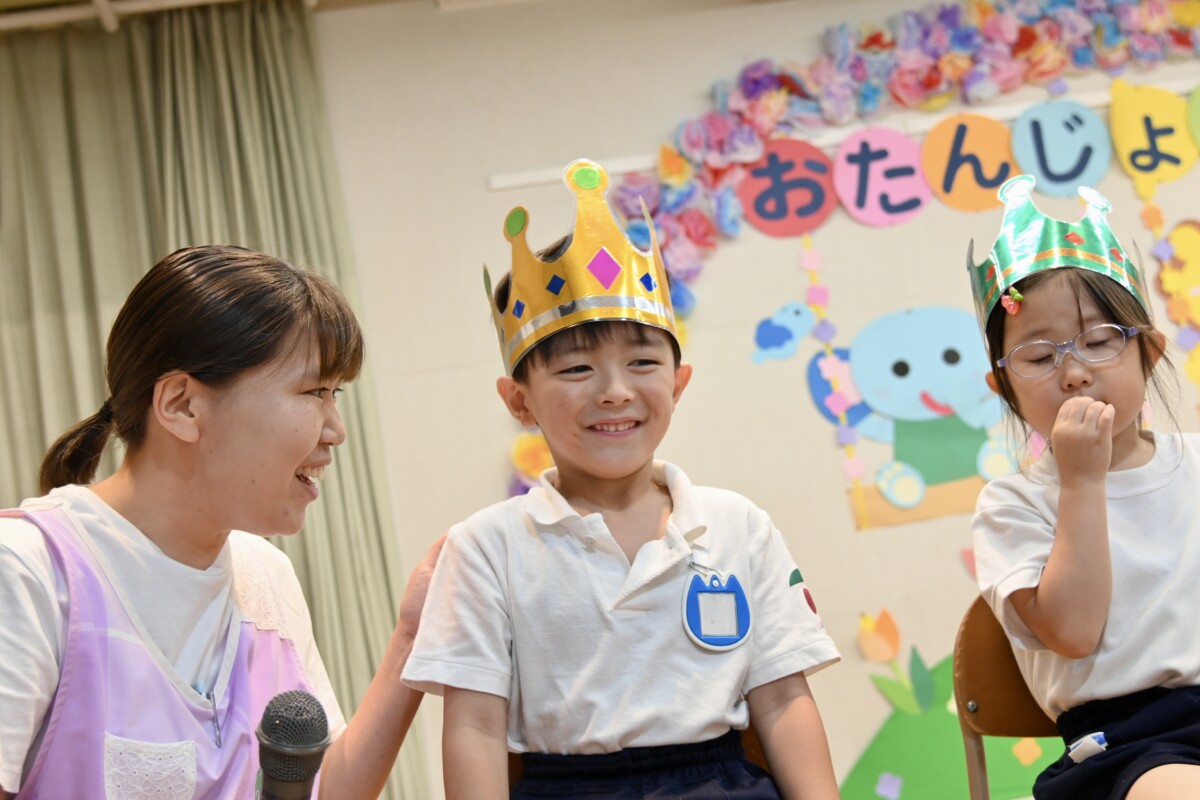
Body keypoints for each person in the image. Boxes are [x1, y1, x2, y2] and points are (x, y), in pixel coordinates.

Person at [402, 159, 841, 800]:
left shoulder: (737, 525)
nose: (615, 393)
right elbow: (474, 723)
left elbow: (780, 697)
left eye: (641, 362)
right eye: (576, 370)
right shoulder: (485, 546)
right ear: (518, 400)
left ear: (678, 383)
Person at [0, 245, 441, 799]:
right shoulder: (27, 571)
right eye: (312, 393)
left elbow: (325, 790)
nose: (335, 430)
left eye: (337, 394)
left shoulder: (265, 574)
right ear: (182, 405)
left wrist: (411, 636)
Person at [968, 175, 1200, 800]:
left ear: (1148, 354)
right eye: (1039, 358)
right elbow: (1072, 632)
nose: (1073, 372)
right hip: (1128, 745)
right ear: (1004, 387)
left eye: (1099, 342)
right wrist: (1081, 480)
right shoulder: (1010, 505)